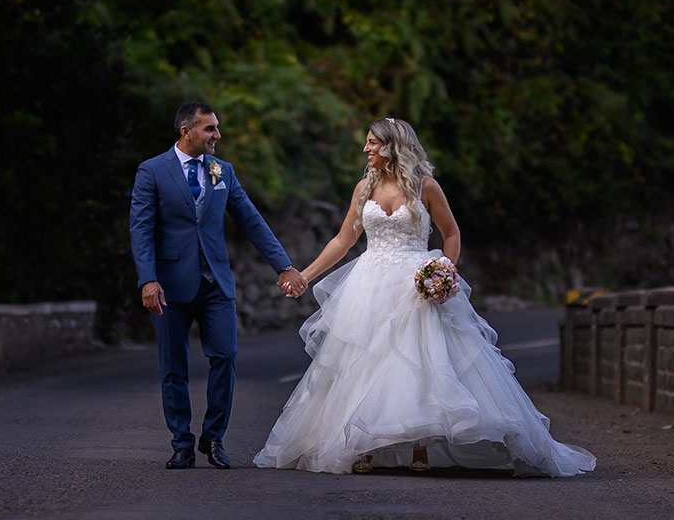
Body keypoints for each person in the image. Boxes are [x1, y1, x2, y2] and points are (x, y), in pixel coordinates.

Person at [253, 117, 595, 476]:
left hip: (415, 281)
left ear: (393, 147)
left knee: (418, 362)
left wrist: (445, 270)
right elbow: (344, 241)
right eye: (367, 142)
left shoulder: (425, 187)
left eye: (373, 143)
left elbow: (451, 233)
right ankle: (361, 446)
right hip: (368, 283)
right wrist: (305, 276)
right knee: (365, 362)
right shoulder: (363, 188)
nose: (366, 149)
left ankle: (420, 447)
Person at [131, 101, 308, 470]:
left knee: (225, 356)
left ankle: (213, 438)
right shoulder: (152, 171)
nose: (217, 136)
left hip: (216, 282)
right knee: (172, 365)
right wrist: (148, 278)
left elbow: (251, 220)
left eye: (216, 128)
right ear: (187, 132)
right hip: (169, 283)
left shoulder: (221, 170)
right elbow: (141, 228)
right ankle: (181, 442)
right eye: (210, 129)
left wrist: (284, 266)